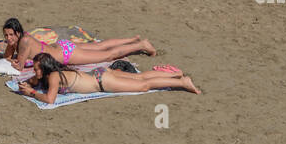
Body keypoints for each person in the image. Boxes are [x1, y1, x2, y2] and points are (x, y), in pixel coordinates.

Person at [17, 52, 201, 102]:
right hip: (100, 73)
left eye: (37, 69)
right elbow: (32, 81)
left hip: (102, 81)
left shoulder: (54, 77)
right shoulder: (49, 75)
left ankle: (182, 82)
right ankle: (175, 74)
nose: (35, 72)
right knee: (140, 77)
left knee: (144, 85)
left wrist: (31, 93)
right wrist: (27, 84)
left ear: (46, 69)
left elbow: (50, 99)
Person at [2, 18, 155, 69]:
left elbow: (18, 66)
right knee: (99, 46)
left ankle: (141, 45)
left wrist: (11, 56)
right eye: (6, 35)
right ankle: (133, 39)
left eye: (11, 35)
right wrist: (10, 45)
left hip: (66, 54)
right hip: (61, 45)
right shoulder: (21, 38)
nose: (8, 38)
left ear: (18, 33)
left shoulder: (24, 42)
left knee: (108, 55)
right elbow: (7, 56)